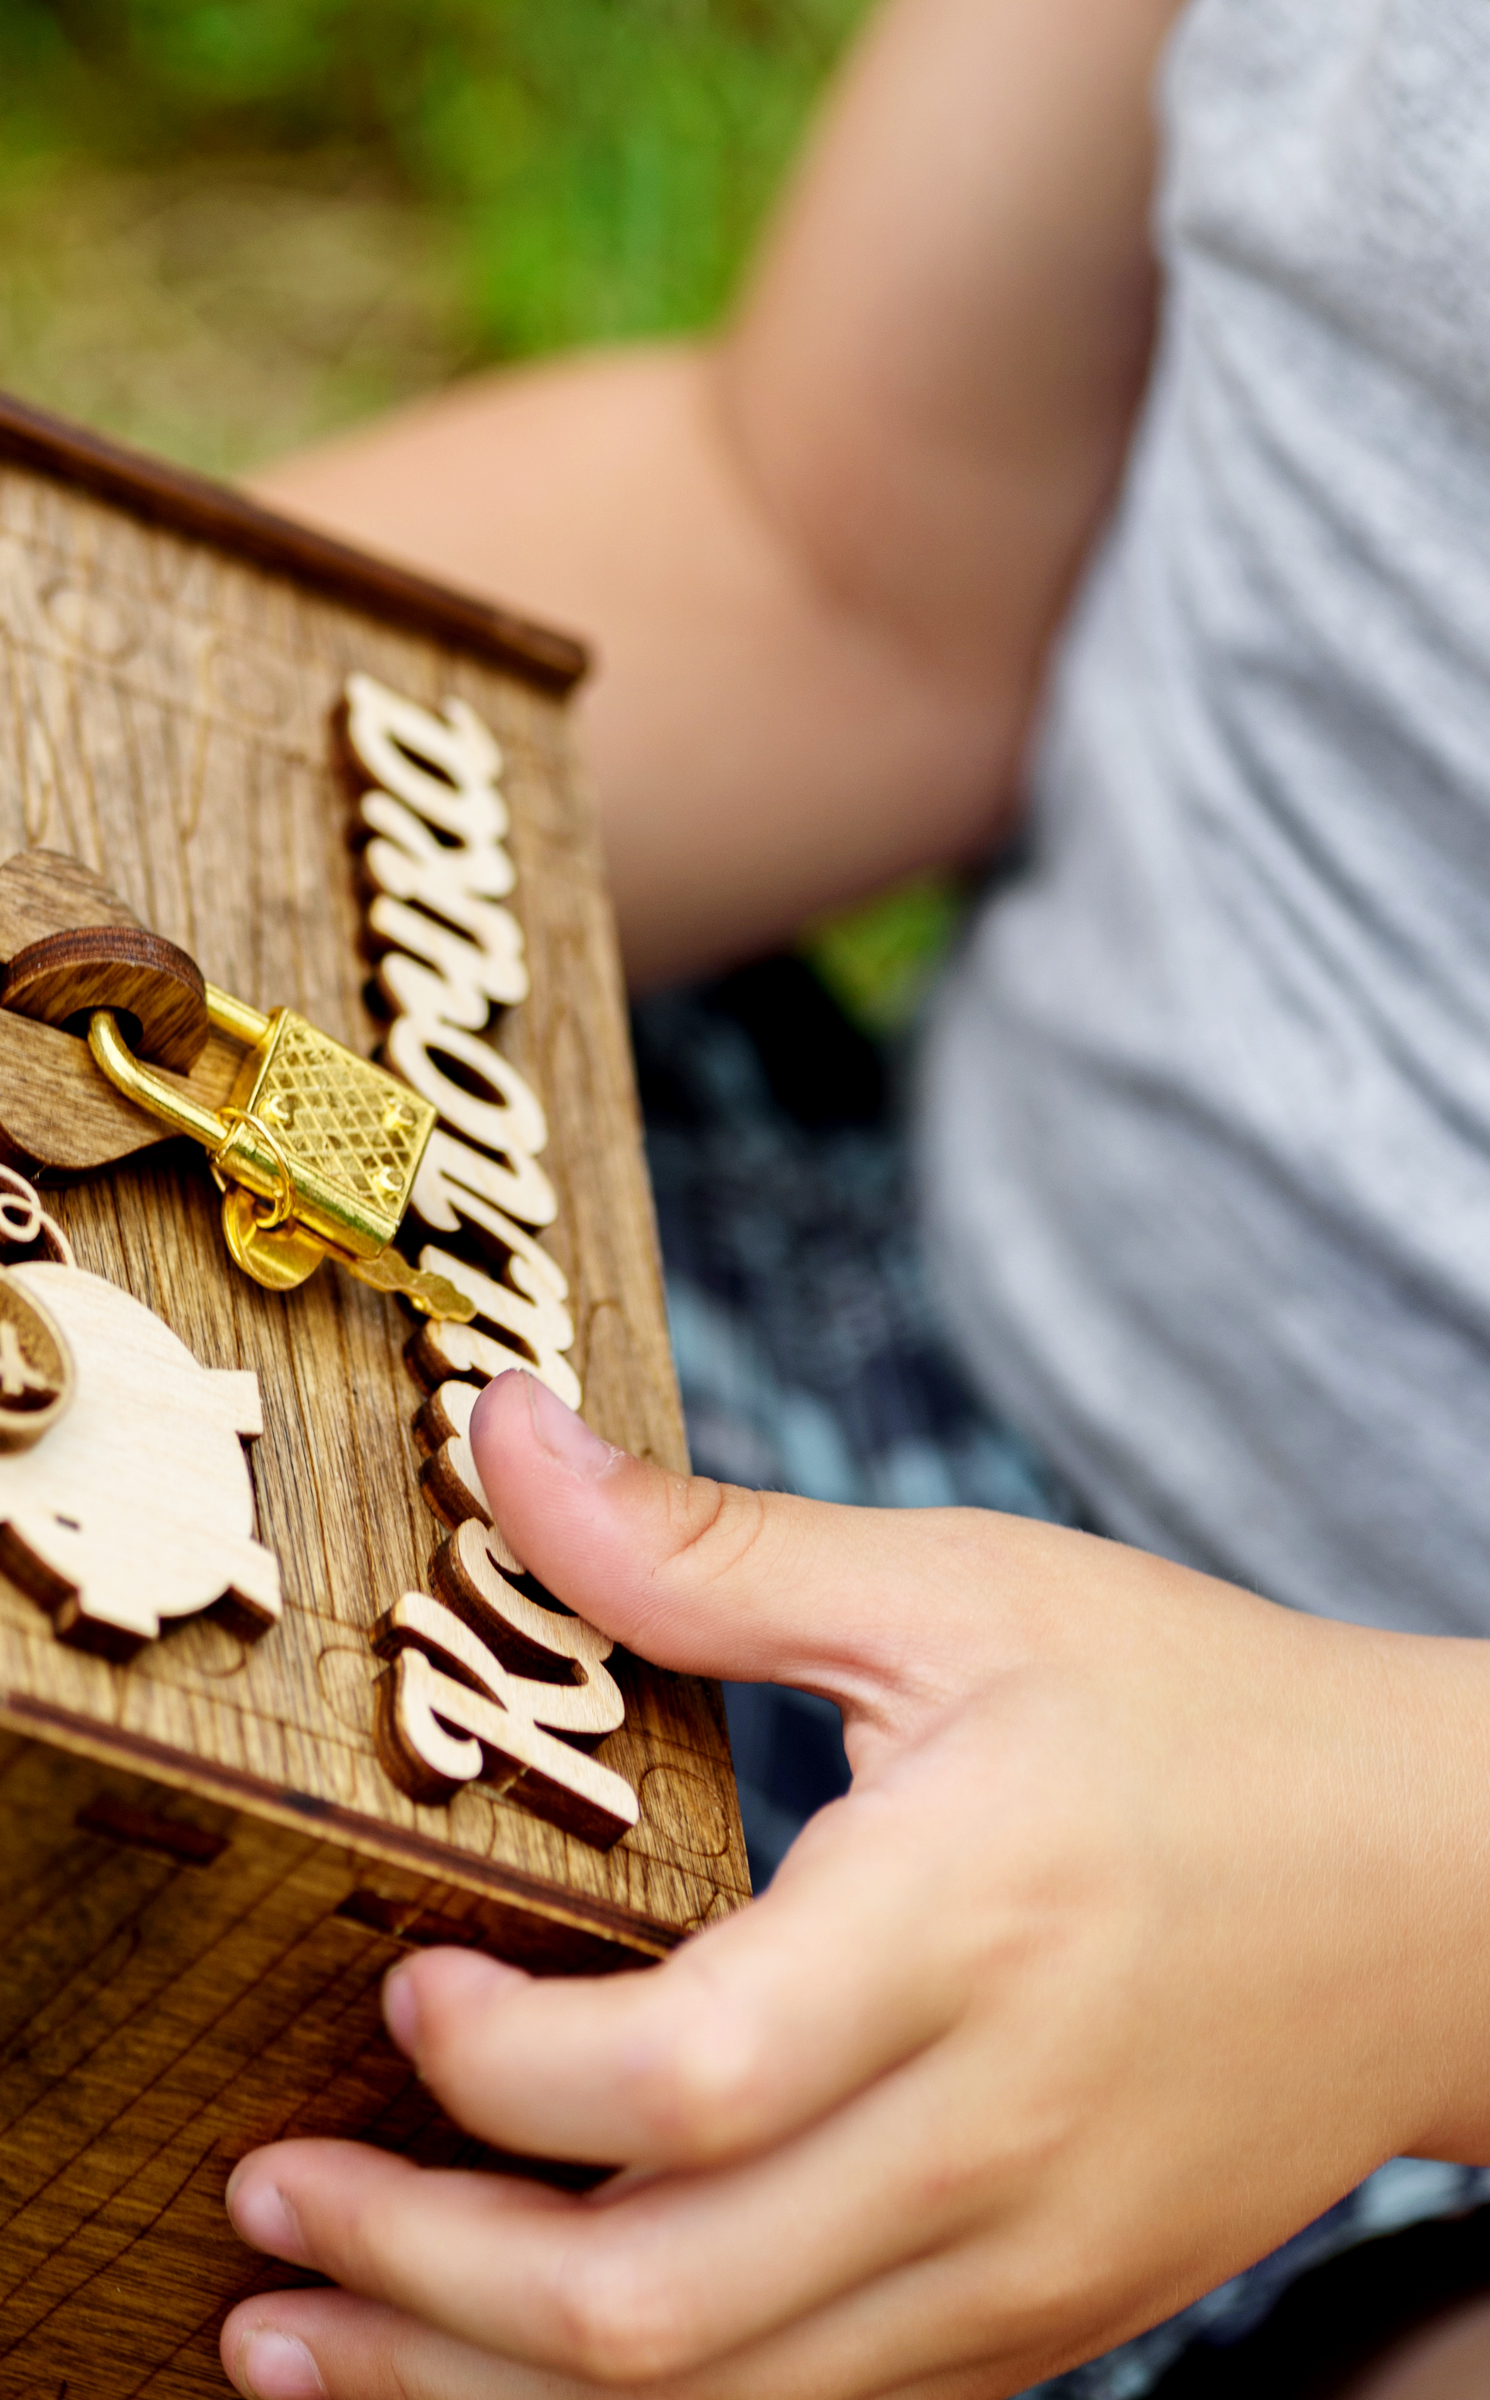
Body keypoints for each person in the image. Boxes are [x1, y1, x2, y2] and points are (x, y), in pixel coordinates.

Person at [0, 7, 1485, 2385]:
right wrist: (45, 832)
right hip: (780, 1245)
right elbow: (840, 554)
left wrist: (1396, 1907)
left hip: (1363, 1975)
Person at [219, 0, 1490, 2395]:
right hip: (868, 1293)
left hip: (1426, 1996)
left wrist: (1415, 1904)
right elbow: (833, 551)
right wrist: (5, 801)